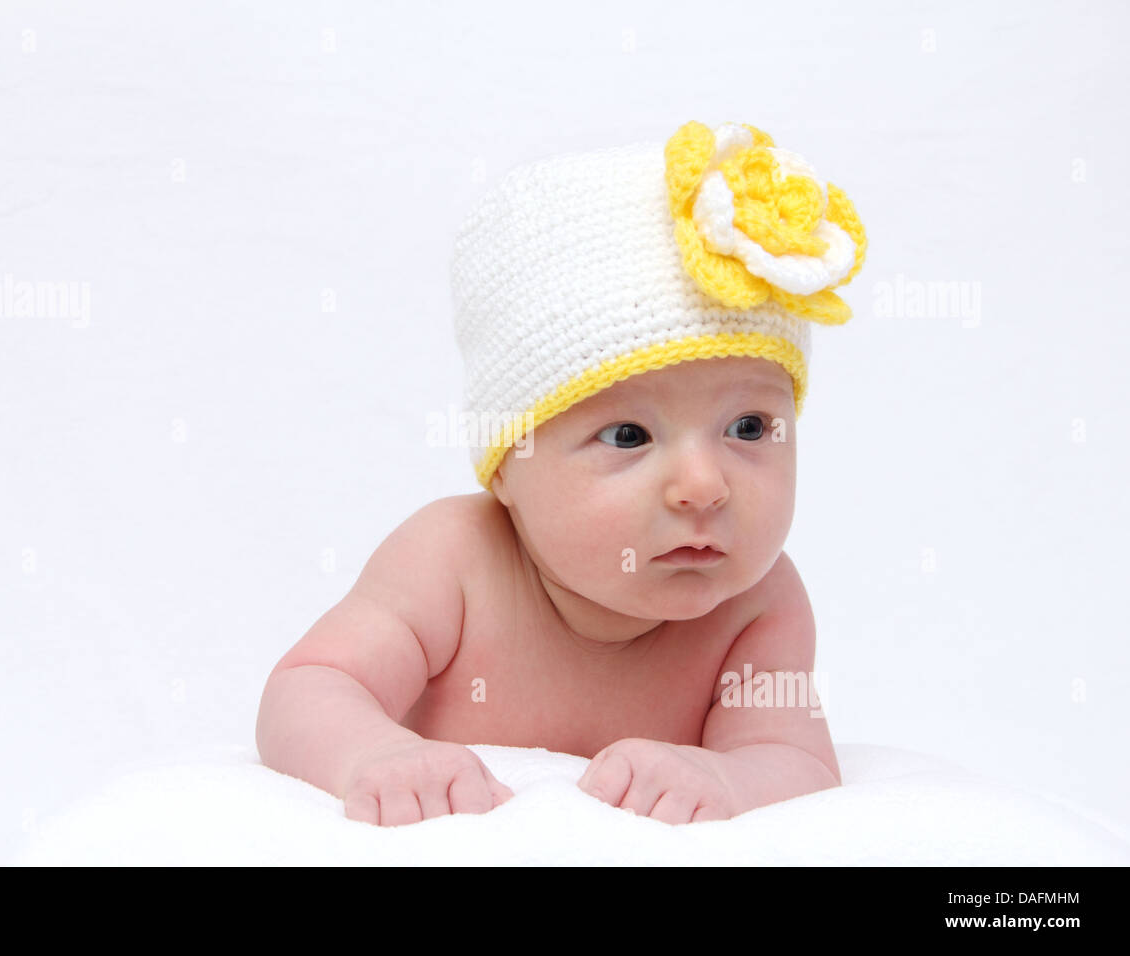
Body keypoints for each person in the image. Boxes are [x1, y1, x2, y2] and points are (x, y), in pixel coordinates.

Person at [256, 119, 868, 826]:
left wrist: (729, 779)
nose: (704, 486)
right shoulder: (451, 562)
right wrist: (372, 753)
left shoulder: (760, 605)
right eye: (629, 435)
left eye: (749, 428)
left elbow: (797, 760)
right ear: (505, 467)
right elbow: (311, 684)